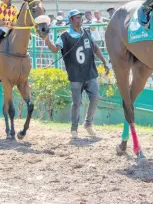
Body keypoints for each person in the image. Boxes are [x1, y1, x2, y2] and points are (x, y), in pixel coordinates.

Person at [42, 9, 109, 139]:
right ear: (71, 20)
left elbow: (95, 48)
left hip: (90, 73)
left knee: (95, 97)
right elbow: (55, 50)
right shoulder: (64, 36)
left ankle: (88, 123)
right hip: (75, 76)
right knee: (76, 103)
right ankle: (74, 128)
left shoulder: (87, 32)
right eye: (77, 18)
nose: (80, 19)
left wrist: (104, 61)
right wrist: (46, 40)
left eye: (80, 17)